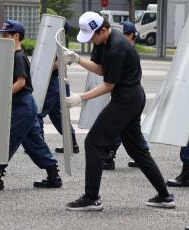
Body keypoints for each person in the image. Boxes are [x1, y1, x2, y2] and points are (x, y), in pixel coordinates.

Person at [63, 12, 175, 210]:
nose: (92, 41)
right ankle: (165, 196)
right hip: (129, 98)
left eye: (93, 36)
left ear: (104, 29)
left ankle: (91, 198)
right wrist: (77, 59)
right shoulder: (102, 43)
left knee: (94, 142)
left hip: (127, 99)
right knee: (136, 150)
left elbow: (108, 85)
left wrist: (79, 98)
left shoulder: (118, 47)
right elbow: (101, 69)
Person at [0, 20, 62, 190]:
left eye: (6, 34)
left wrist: (1, 95)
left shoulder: (18, 56)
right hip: (24, 105)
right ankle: (53, 175)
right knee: (34, 142)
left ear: (16, 36)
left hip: (22, 105)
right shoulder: (11, 56)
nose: (3, 37)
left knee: (7, 140)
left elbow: (21, 82)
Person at [102, 21, 148, 170]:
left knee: (120, 128)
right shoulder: (122, 47)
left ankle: (109, 156)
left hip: (129, 97)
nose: (122, 37)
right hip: (130, 96)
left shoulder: (125, 50)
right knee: (132, 130)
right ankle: (143, 153)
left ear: (132, 35)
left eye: (125, 35)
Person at [37, 60, 79, 154]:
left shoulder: (50, 45)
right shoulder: (50, 45)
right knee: (57, 115)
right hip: (52, 83)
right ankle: (71, 143)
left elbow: (58, 62)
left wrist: (42, 66)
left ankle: (39, 144)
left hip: (49, 84)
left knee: (37, 112)